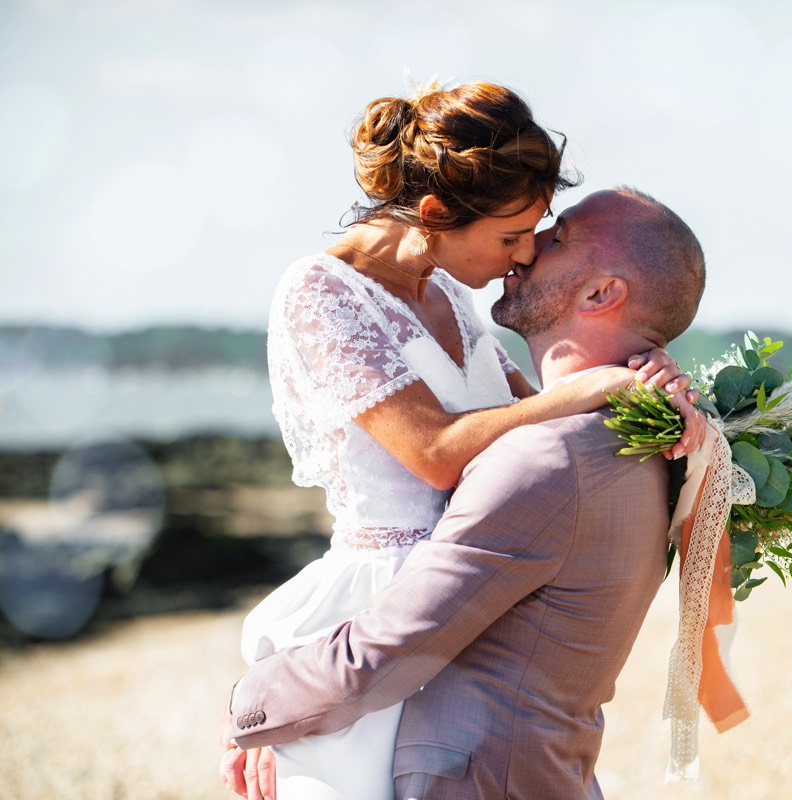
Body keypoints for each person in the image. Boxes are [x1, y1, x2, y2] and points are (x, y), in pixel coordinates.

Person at [235, 82, 702, 800]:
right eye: (511, 237)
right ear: (434, 215)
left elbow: (526, 417)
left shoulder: (451, 291)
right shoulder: (322, 291)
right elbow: (433, 450)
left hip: (458, 600)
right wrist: (583, 389)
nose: (521, 257)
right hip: (375, 613)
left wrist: (641, 377)